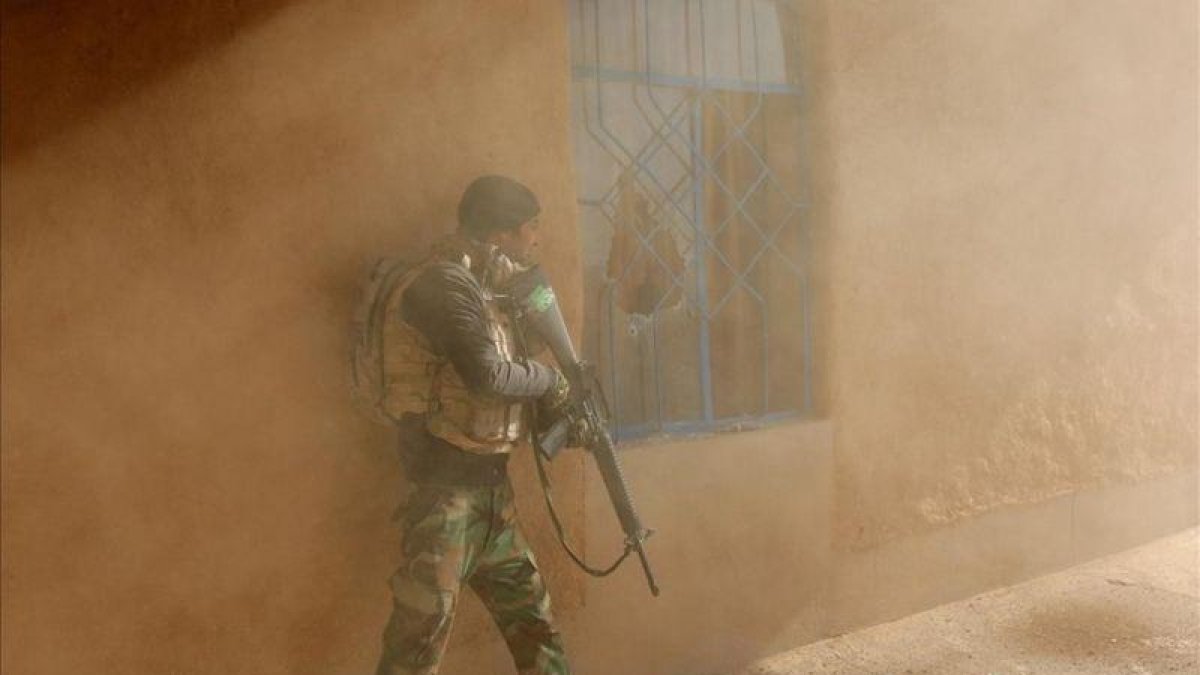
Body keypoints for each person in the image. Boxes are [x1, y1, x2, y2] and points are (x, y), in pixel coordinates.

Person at [374, 175, 573, 675]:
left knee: (537, 631)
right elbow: (487, 376)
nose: (535, 240)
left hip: (491, 498)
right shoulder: (442, 284)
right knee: (417, 648)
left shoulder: (488, 287)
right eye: (530, 228)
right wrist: (549, 381)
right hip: (444, 501)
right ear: (499, 234)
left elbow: (518, 359)